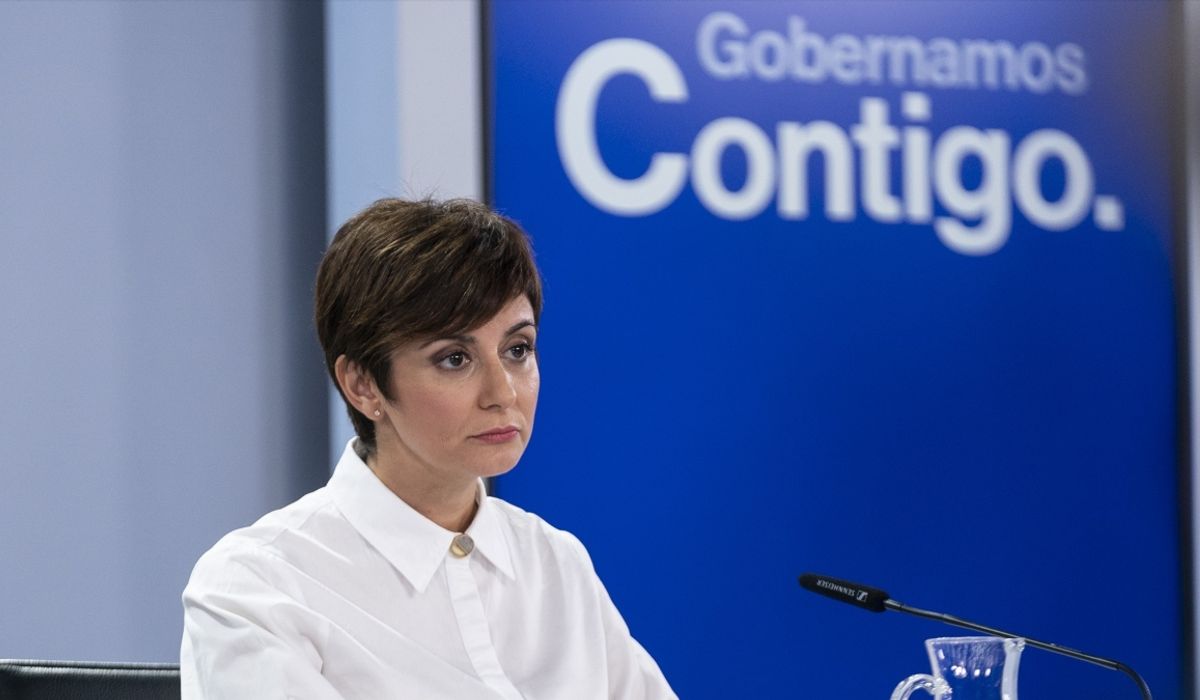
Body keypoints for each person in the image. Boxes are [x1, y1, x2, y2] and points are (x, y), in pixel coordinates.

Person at [180, 198, 676, 699]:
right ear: (363, 385)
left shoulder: (556, 564)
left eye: (517, 350)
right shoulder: (259, 585)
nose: (503, 393)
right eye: (454, 359)